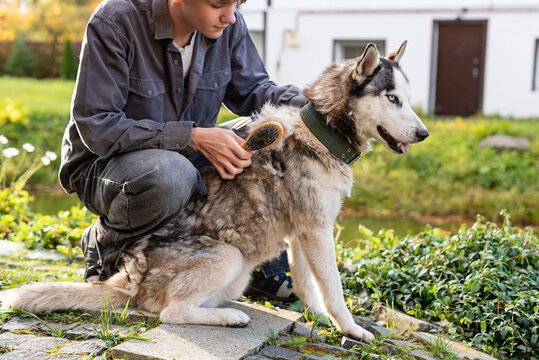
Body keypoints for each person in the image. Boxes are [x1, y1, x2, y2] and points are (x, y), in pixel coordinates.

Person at [59, 0, 306, 302]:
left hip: (184, 156)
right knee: (170, 174)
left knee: (268, 135)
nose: (230, 16)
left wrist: (320, 105)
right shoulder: (116, 20)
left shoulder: (228, 25)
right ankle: (107, 246)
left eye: (236, 3)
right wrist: (193, 137)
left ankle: (242, 261)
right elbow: (98, 127)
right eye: (218, 4)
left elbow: (256, 92)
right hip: (106, 167)